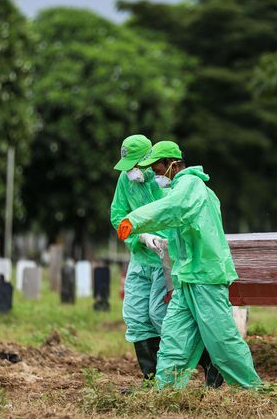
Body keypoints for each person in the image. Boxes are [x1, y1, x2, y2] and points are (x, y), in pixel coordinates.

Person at [117, 147, 262, 389]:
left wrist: (134, 221)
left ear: (171, 163)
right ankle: (166, 390)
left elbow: (170, 209)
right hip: (187, 278)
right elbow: (177, 240)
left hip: (206, 277)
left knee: (222, 341)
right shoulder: (180, 188)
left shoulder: (191, 186)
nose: (154, 173)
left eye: (157, 167)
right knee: (174, 340)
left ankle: (254, 389)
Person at [110, 134, 170, 381]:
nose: (132, 171)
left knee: (160, 315)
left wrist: (160, 239)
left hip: (164, 260)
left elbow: (173, 217)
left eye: (136, 164)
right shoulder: (125, 180)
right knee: (135, 317)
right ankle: (152, 377)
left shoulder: (166, 182)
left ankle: (193, 366)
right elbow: (118, 214)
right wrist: (139, 237)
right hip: (140, 258)